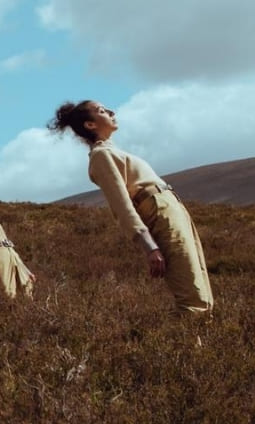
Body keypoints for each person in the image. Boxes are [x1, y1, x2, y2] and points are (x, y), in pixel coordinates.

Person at [50, 100, 214, 314]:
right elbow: (121, 204)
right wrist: (149, 246)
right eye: (101, 111)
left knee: (203, 294)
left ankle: (204, 345)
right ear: (90, 125)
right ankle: (189, 346)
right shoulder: (101, 156)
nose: (111, 111)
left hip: (172, 209)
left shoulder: (112, 151)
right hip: (159, 211)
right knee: (192, 299)